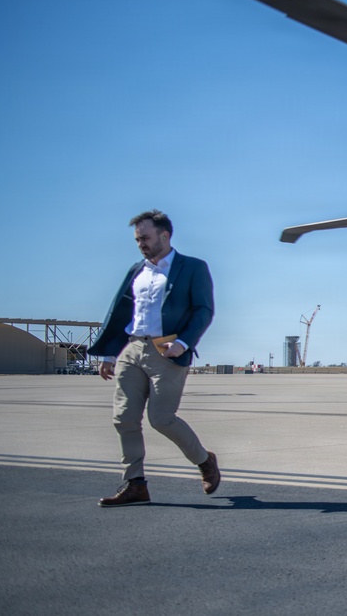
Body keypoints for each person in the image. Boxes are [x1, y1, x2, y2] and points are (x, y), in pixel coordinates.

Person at [88, 210, 220, 507]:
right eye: (137, 240)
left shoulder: (193, 267)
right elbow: (121, 312)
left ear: (165, 235)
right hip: (133, 348)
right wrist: (109, 353)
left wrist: (183, 343)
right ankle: (135, 484)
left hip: (167, 349)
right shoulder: (137, 270)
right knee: (124, 418)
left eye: (145, 238)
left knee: (161, 418)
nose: (141, 244)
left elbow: (204, 310)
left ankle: (204, 460)